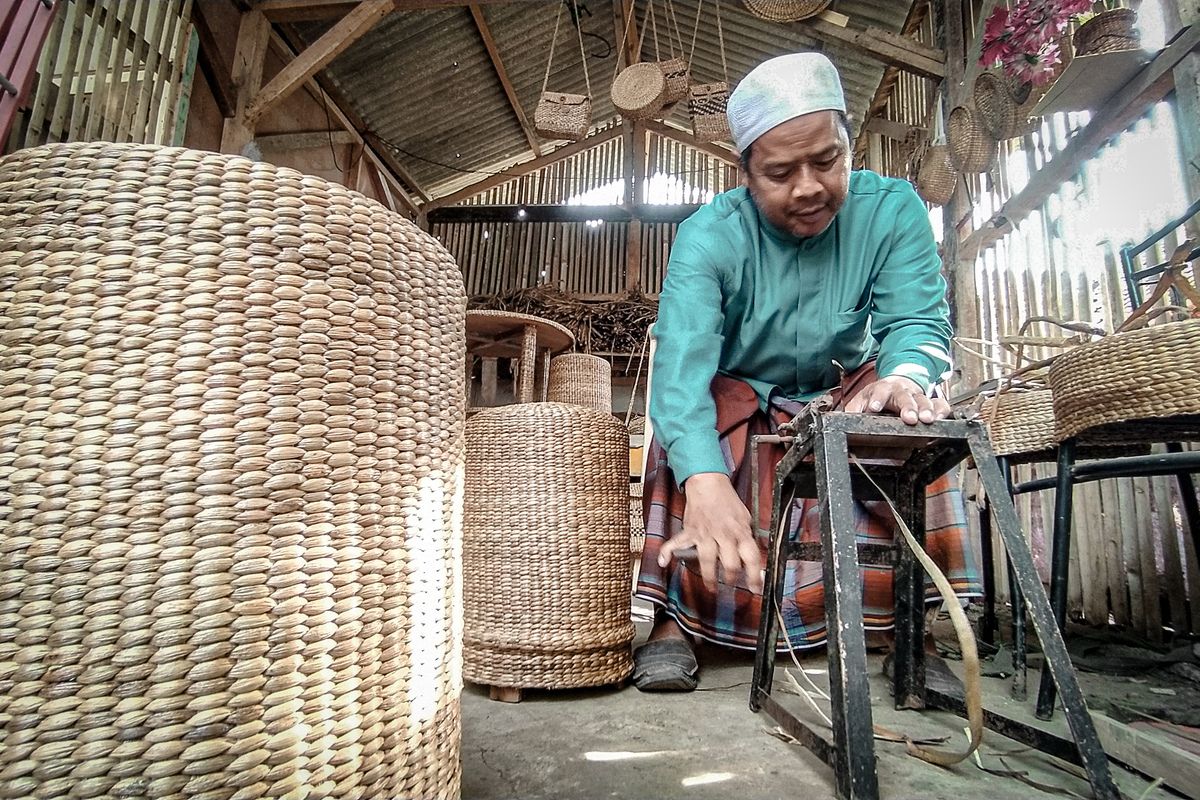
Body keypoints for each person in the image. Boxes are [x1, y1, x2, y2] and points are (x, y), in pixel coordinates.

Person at [631, 52, 980, 691]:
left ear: (849, 146)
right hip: (742, 396)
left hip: (841, 393)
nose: (808, 188)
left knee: (911, 421)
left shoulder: (892, 211)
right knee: (685, 431)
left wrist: (905, 376)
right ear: (744, 172)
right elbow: (680, 370)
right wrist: (705, 481)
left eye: (826, 160)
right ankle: (674, 622)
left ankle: (910, 627)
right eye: (780, 172)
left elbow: (917, 322)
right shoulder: (708, 237)